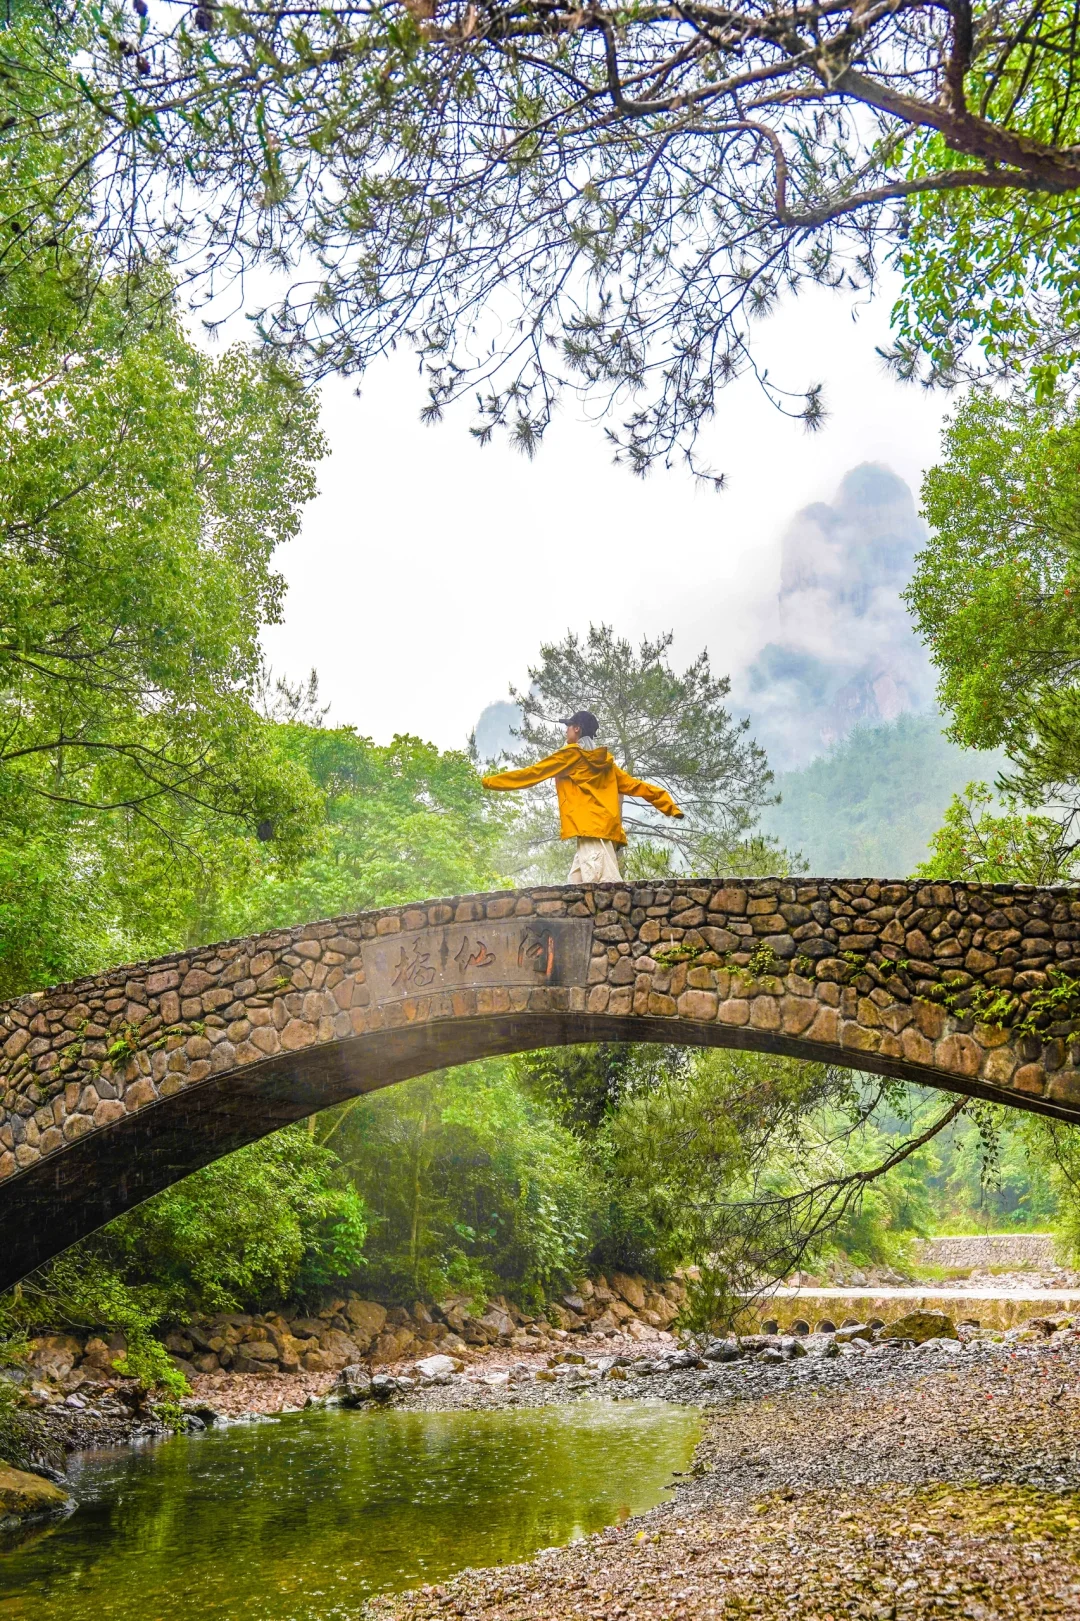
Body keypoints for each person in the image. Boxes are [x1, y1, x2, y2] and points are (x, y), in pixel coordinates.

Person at [481, 709, 684, 883]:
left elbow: (533, 773)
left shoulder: (571, 755)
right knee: (575, 886)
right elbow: (636, 786)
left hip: (591, 831)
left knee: (605, 886)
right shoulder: (606, 764)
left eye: (568, 726)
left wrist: (491, 782)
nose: (566, 730)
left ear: (577, 728)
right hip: (602, 829)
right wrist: (668, 804)